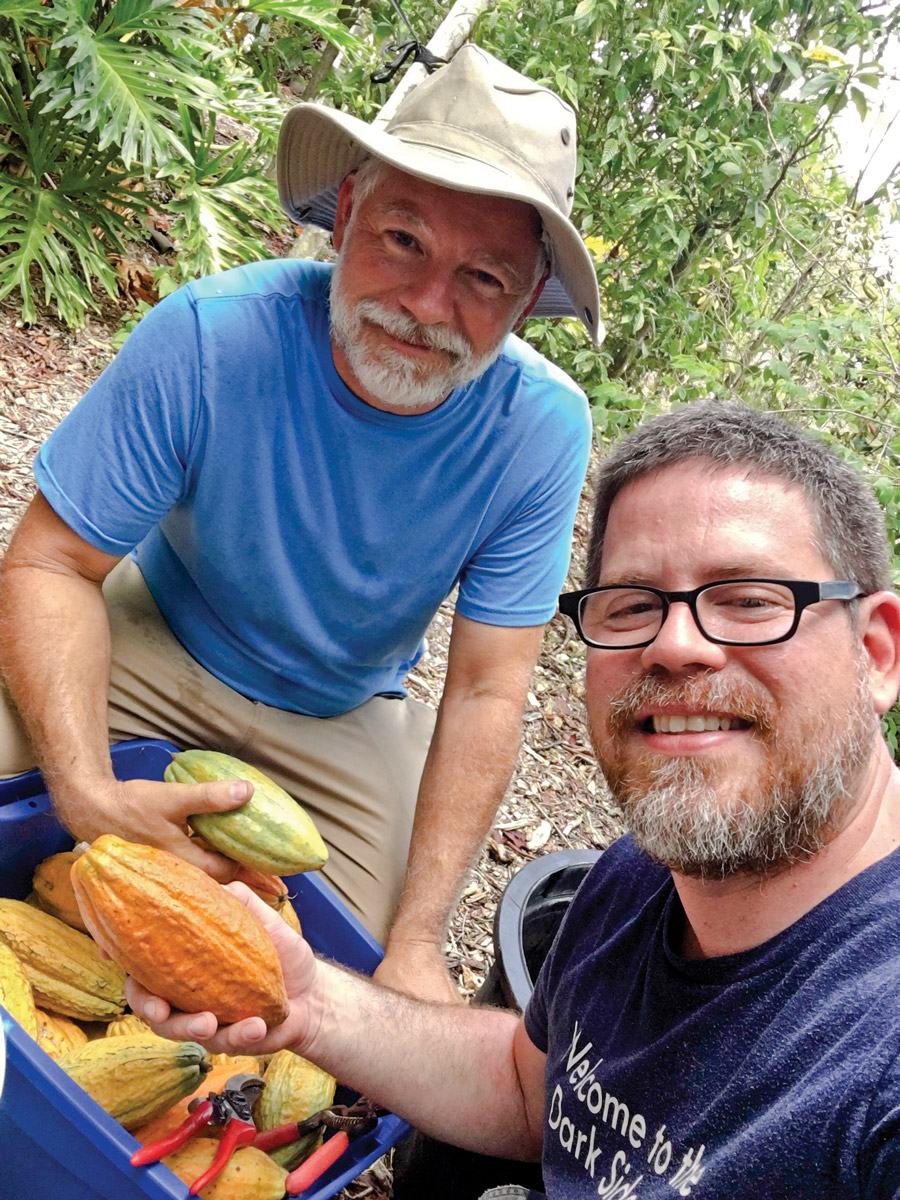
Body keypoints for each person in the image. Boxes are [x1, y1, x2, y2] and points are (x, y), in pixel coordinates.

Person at [128, 401, 900, 1198]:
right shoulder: (638, 879)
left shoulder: (877, 1064)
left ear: (875, 653)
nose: (674, 645)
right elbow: (529, 1092)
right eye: (632, 605)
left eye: (748, 599)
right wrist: (312, 1003)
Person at [0, 45, 602, 1001]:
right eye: (404, 240)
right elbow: (51, 564)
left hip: (345, 710)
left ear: (528, 303)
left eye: (485, 278)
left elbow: (488, 690)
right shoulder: (212, 336)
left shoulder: (541, 431)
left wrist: (418, 939)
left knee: (346, 990)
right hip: (154, 629)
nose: (426, 305)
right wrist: (86, 791)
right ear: (348, 215)